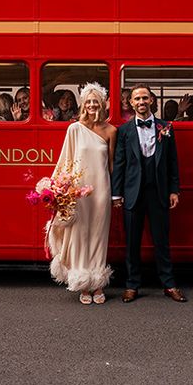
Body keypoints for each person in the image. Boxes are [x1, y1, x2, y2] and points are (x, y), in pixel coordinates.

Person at [111, 84, 186, 303]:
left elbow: (173, 162)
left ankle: (169, 284)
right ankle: (132, 285)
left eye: (145, 98)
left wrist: (174, 190)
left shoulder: (166, 127)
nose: (141, 102)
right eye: (137, 99)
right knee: (132, 243)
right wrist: (116, 194)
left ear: (151, 100)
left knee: (162, 241)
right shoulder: (124, 131)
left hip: (159, 192)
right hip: (132, 193)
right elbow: (120, 164)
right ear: (131, 103)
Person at [47, 83, 115, 304]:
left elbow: (112, 165)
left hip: (102, 189)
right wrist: (58, 189)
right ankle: (82, 282)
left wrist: (116, 194)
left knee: (98, 235)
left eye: (96, 101)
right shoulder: (74, 129)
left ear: (102, 104)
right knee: (79, 235)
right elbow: (65, 160)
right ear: (84, 105)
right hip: (78, 191)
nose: (93, 105)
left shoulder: (111, 130)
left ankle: (97, 284)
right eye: (89, 101)